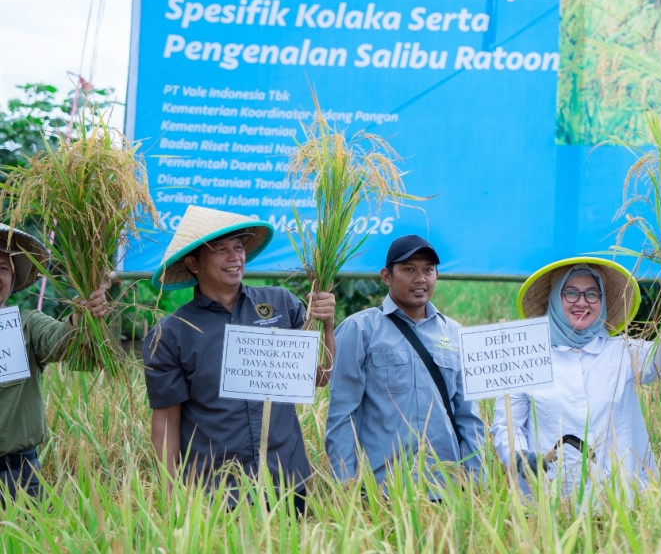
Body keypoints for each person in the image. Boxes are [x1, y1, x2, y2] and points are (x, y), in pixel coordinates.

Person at [144, 205, 336, 512]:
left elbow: (321, 376)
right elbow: (165, 421)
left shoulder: (280, 305)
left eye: (238, 248)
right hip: (215, 489)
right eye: (220, 250)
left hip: (287, 481)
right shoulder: (171, 334)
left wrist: (327, 325)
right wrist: (170, 496)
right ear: (193, 264)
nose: (235, 258)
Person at [492, 257, 661, 498]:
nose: (582, 302)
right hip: (550, 495)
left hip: (619, 496)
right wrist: (519, 456)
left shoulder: (623, 352)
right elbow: (506, 424)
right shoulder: (527, 357)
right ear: (554, 299)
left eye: (592, 294)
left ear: (602, 301)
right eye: (571, 293)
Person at [325, 235, 484, 495]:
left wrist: (477, 485)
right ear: (387, 276)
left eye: (428, 270)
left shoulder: (455, 333)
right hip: (380, 491)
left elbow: (469, 417)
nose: (420, 279)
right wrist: (344, 485)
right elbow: (342, 415)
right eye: (409, 269)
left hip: (445, 489)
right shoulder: (360, 329)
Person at [0, 225, 108, 502]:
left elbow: (60, 341)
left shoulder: (25, 324)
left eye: (2, 268)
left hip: (18, 477)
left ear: (12, 279)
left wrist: (81, 316)